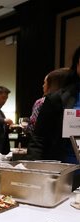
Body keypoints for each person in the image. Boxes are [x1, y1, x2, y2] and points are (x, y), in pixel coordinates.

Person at [27, 45, 80, 190]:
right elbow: (39, 139)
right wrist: (33, 173)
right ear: (77, 66)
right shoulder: (57, 99)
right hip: (65, 173)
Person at [28, 67, 69, 133]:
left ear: (53, 85)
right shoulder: (74, 101)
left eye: (45, 82)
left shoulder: (41, 102)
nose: (43, 86)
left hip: (47, 141)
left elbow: (32, 127)